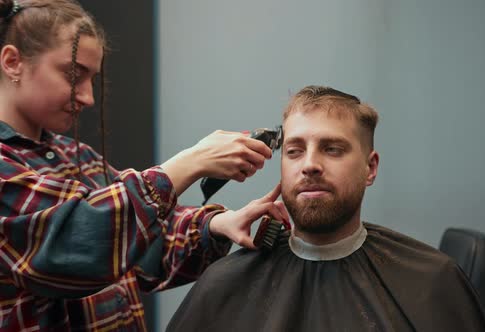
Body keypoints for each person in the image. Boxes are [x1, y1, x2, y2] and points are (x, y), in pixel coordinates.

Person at [0, 0, 289, 331]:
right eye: (72, 74)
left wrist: (219, 226)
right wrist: (190, 162)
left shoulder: (77, 156)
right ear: (12, 62)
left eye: (92, 79)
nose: (88, 97)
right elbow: (80, 246)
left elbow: (147, 245)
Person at [167, 85, 485, 332]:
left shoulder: (433, 282)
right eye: (294, 151)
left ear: (370, 168)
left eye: (332, 149)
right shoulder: (224, 285)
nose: (310, 165)